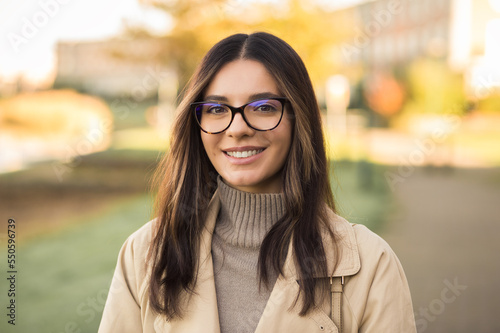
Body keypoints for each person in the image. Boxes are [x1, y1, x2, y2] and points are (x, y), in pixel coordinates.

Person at [99, 32, 416, 333]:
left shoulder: (371, 264)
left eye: (263, 107)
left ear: (298, 118)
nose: (237, 128)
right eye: (216, 109)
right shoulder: (145, 254)